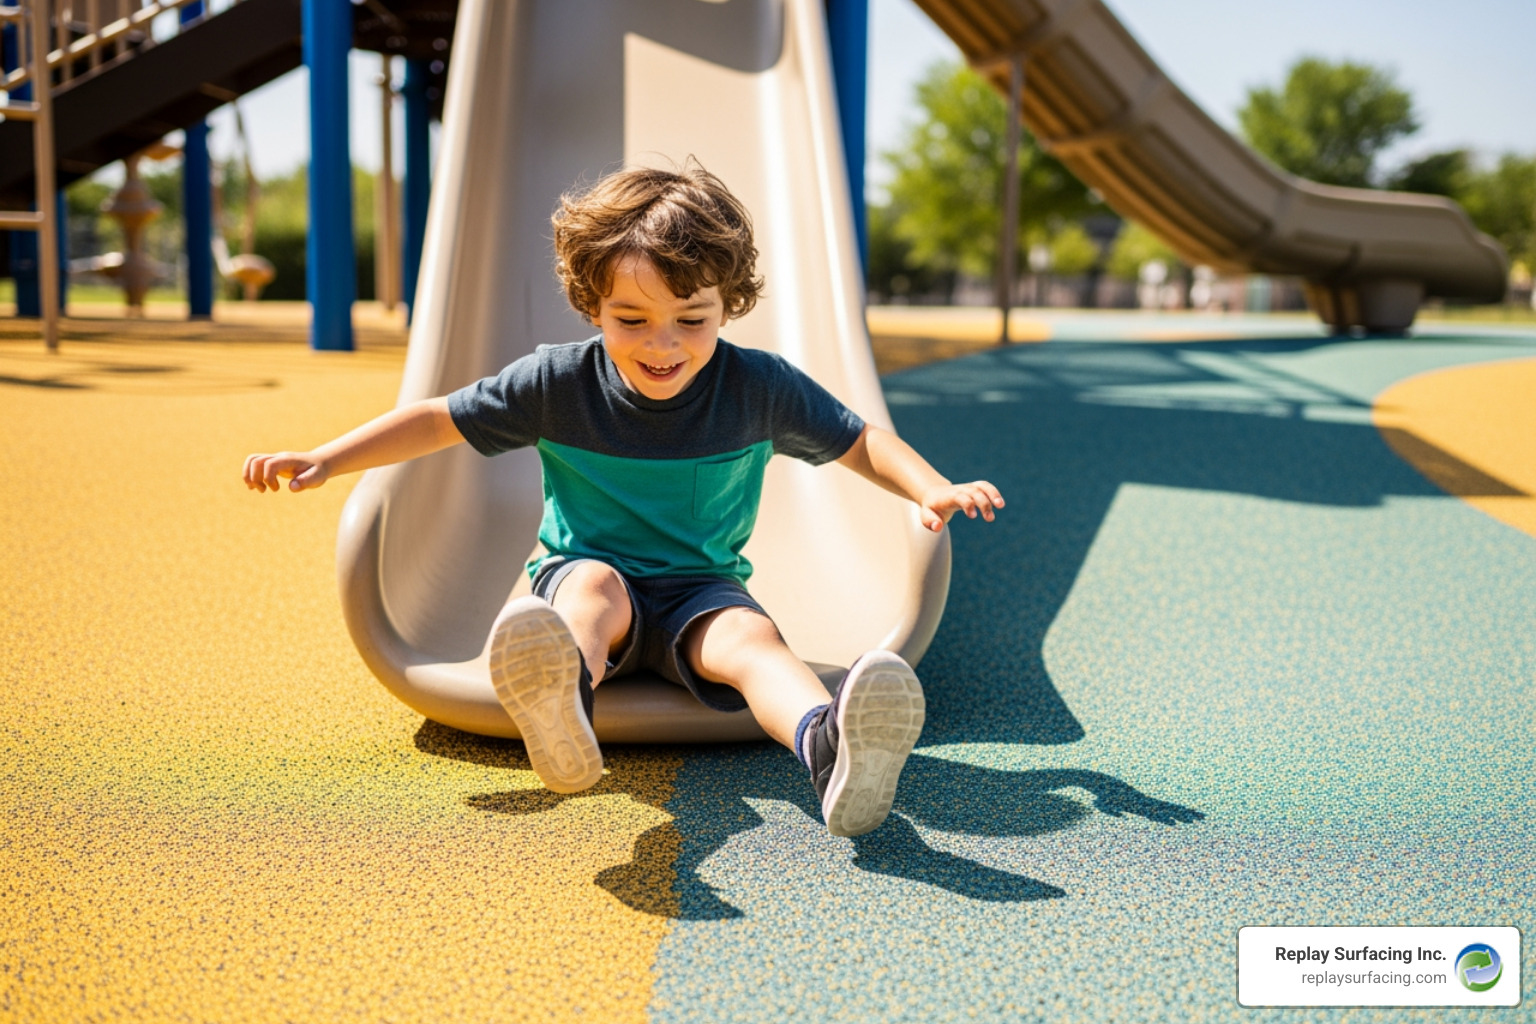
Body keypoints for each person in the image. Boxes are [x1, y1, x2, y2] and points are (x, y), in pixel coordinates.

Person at [242, 164, 1002, 836]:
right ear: (591, 307)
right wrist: (328, 458)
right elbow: (440, 417)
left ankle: (828, 748)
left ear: (727, 305)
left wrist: (930, 485)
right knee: (595, 591)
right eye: (630, 321)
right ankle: (561, 701)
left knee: (749, 639)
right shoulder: (558, 381)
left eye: (690, 320)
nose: (661, 343)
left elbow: (857, 438)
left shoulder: (759, 387)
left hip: (699, 591)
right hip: (584, 569)